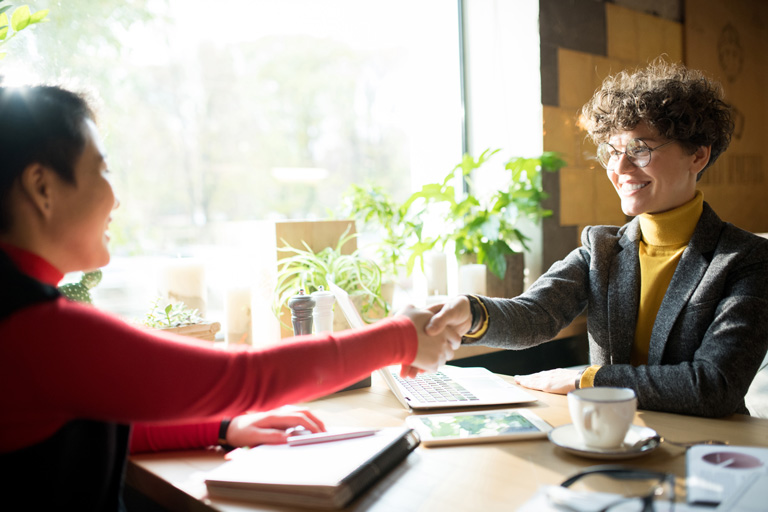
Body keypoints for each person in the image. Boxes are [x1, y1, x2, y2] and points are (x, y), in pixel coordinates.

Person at [0, 84, 460, 510]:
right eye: (101, 168)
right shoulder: (34, 330)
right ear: (42, 187)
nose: (115, 199)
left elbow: (93, 419)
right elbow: (243, 376)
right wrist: (400, 337)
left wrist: (223, 427)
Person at [425, 59, 768, 418]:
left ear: (698, 154)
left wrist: (587, 379)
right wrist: (468, 312)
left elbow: (714, 386)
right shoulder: (601, 249)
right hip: (609, 437)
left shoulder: (747, 260)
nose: (619, 169)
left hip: (708, 452)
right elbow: (535, 315)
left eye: (639, 149)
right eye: (612, 151)